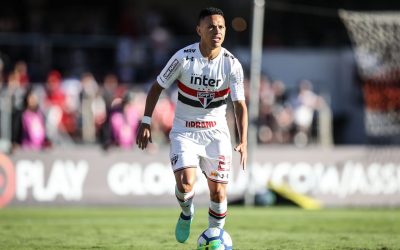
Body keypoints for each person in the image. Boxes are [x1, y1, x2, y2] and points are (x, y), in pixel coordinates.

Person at [136, 7, 248, 244]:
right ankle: (187, 212)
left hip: (216, 134)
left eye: (221, 27)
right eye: (210, 26)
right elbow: (157, 87)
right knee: (186, 186)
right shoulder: (183, 58)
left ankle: (214, 239)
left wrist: (243, 140)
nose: (216, 31)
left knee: (218, 192)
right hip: (185, 132)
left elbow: (240, 105)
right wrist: (146, 121)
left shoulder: (232, 64)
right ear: (199, 30)